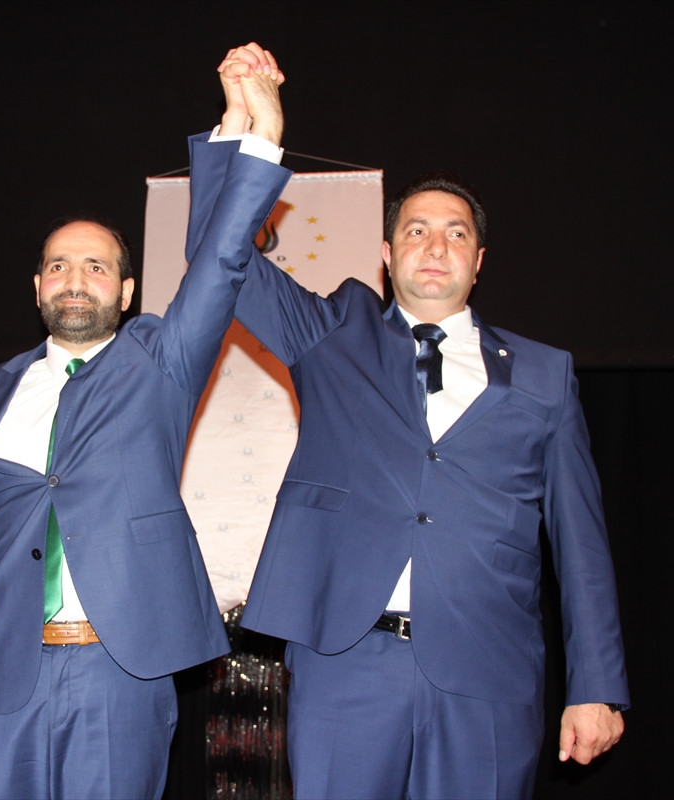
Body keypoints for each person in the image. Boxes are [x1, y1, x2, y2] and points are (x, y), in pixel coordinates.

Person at [191, 42, 629, 800]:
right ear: (387, 255)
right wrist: (246, 131)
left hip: (488, 676)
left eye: (457, 233)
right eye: (417, 230)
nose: (436, 245)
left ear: (479, 261)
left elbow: (581, 545)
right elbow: (217, 260)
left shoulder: (545, 374)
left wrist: (596, 685)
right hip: (347, 664)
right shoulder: (334, 333)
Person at [0, 55, 291, 799]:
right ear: (37, 286)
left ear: (127, 292)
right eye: (60, 266)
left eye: (96, 268)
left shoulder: (159, 360)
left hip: (119, 673)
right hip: (3, 678)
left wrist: (250, 133)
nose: (75, 279)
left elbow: (223, 260)